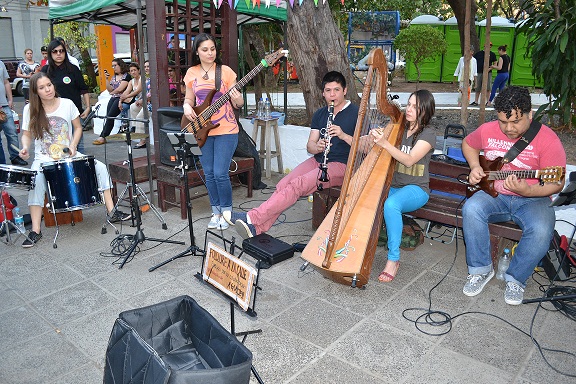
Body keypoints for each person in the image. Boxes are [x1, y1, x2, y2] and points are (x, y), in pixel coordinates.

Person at [461, 86, 566, 305]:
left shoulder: (548, 140)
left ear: (530, 114)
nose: (508, 128)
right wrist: (474, 166)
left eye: (515, 122)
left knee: (541, 230)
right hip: (495, 194)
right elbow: (469, 144)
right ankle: (480, 269)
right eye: (503, 122)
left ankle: (516, 278)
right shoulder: (488, 130)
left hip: (533, 199)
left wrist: (528, 190)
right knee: (471, 209)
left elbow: (557, 182)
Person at [223, 71, 359, 238]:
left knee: (298, 184)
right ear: (323, 92)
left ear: (344, 90)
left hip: (342, 165)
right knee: (284, 184)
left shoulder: (357, 113)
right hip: (319, 160)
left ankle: (252, 217)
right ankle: (256, 228)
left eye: (336, 90)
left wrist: (343, 135)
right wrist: (317, 147)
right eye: (328, 90)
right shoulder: (321, 114)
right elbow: (310, 145)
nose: (332, 95)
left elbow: (365, 147)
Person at [18, 73, 131, 248]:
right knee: (35, 181)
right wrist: (25, 148)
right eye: (41, 87)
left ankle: (112, 211)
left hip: (68, 153)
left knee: (100, 167)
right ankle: (35, 230)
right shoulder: (30, 109)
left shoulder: (67, 104)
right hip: (44, 157)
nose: (47, 89)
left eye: (49, 85)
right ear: (35, 91)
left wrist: (72, 145)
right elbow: (26, 134)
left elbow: (78, 128)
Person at [370, 90, 437, 282]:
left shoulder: (428, 134)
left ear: (425, 110)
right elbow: (381, 149)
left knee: (391, 205)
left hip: (416, 190)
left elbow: (409, 160)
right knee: (366, 199)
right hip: (394, 186)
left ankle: (393, 259)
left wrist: (385, 144)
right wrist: (376, 136)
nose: (409, 109)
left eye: (415, 107)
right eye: (408, 104)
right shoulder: (398, 129)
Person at [182, 33, 243, 230]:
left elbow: (238, 103)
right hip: (202, 129)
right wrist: (186, 107)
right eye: (205, 49)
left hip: (226, 129)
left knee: (220, 173)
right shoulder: (192, 72)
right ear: (197, 52)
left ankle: (226, 213)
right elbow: (190, 99)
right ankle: (215, 212)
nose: (210, 53)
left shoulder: (225, 72)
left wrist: (237, 98)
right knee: (208, 173)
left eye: (213, 49)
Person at [41, 39, 90, 153]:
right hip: (53, 115)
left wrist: (87, 107)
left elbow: (84, 89)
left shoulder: (73, 69)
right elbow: (38, 91)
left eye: (61, 51)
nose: (58, 54)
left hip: (74, 113)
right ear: (50, 53)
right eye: (55, 51)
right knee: (56, 147)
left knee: (77, 147)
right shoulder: (45, 70)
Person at [93, 58, 131, 145]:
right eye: (112, 66)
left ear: (120, 65)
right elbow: (110, 89)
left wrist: (113, 92)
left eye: (115, 65)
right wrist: (107, 79)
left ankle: (103, 136)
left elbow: (120, 89)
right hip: (113, 97)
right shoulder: (114, 77)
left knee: (111, 115)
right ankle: (104, 136)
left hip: (121, 98)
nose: (114, 67)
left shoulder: (126, 76)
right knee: (108, 116)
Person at [0, 60, 27, 165]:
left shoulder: (1, 63)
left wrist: (10, 99)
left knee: (12, 132)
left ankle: (15, 156)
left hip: (4, 105)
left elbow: (6, 82)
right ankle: (1, 163)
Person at [130, 60, 150, 149]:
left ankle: (143, 141)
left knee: (140, 117)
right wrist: (139, 99)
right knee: (133, 107)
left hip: (152, 104)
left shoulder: (155, 78)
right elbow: (144, 92)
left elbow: (153, 93)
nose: (146, 68)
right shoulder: (147, 78)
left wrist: (144, 100)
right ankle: (135, 128)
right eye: (145, 67)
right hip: (146, 101)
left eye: (148, 66)